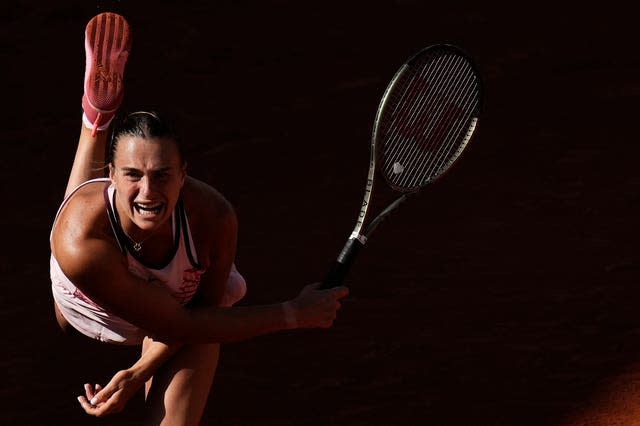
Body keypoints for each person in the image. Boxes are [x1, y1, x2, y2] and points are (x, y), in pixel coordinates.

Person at [49, 12, 349, 424]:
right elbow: (185, 324)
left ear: (184, 174)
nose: (150, 192)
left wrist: (138, 373)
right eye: (133, 176)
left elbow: (201, 320)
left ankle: (98, 125)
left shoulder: (214, 217)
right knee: (66, 315)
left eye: (163, 176)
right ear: (111, 176)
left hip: (175, 311)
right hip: (88, 298)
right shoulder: (80, 243)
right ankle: (94, 124)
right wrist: (294, 313)